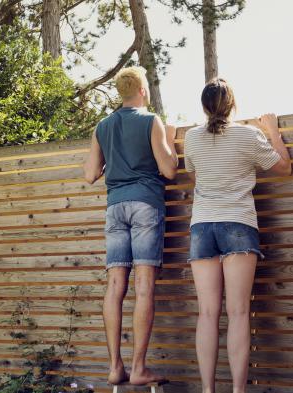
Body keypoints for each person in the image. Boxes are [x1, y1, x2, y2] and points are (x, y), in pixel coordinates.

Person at [183, 78, 292, 393]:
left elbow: (194, 174)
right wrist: (272, 130)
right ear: (233, 105)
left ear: (205, 107)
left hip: (202, 227)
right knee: (239, 312)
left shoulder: (191, 138)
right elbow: (283, 168)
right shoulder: (249, 135)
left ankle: (207, 390)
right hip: (238, 224)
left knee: (206, 313)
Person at [83, 66, 178, 386]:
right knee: (144, 286)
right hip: (145, 205)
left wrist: (116, 152)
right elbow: (169, 170)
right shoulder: (151, 120)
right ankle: (138, 368)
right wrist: (169, 140)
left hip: (115, 208)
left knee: (114, 287)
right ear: (142, 91)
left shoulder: (102, 125)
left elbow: (89, 174)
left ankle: (114, 367)